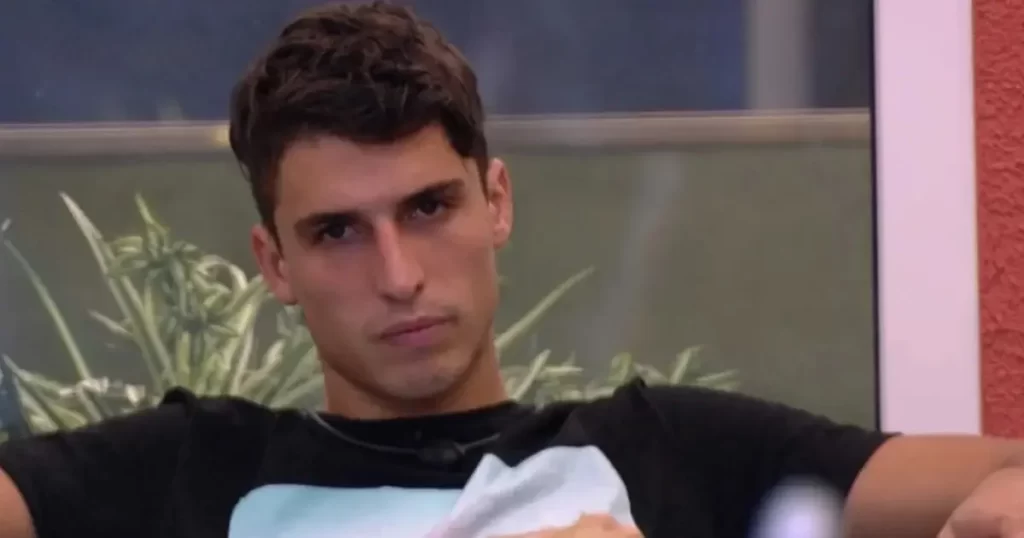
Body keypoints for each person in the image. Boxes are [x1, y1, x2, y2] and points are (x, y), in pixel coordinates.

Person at [0, 2, 1021, 537]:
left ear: (495, 201)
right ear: (275, 262)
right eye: (338, 232)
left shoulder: (672, 452)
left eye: (428, 208)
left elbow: (998, 478)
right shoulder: (188, 472)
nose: (398, 274)